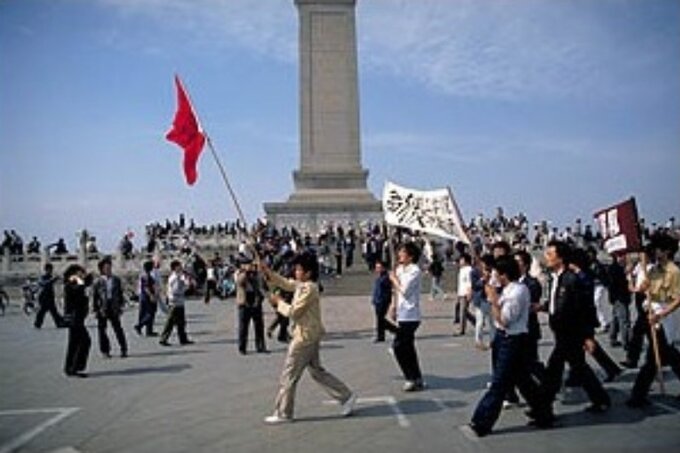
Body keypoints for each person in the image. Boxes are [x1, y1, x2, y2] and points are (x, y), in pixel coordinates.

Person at [260, 251, 356, 424]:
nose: (295, 272)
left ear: (308, 272)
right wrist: (268, 272)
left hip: (303, 337)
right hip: (310, 335)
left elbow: (294, 312)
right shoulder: (303, 285)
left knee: (289, 375)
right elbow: (287, 283)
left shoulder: (309, 288)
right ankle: (346, 396)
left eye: (298, 269)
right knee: (317, 371)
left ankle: (284, 412)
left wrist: (278, 302)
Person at [468, 257, 552, 437]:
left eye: (496, 273)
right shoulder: (507, 289)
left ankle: (482, 421)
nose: (494, 276)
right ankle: (543, 412)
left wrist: (493, 300)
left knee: (499, 382)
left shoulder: (518, 292)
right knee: (523, 380)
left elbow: (504, 321)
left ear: (504, 274)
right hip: (504, 338)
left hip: (512, 340)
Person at [540, 241, 611, 415]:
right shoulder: (556, 278)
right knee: (579, 367)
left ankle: (542, 408)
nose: (546, 257)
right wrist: (542, 307)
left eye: (550, 254)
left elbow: (583, 308)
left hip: (570, 331)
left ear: (561, 257)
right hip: (561, 330)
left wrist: (587, 336)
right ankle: (601, 399)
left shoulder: (572, 279)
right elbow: (557, 302)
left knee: (554, 369)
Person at [627, 232, 680, 407]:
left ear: (666, 251)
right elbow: (644, 290)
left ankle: (638, 395)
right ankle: (638, 395)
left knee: (656, 356)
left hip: (664, 316)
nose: (654, 252)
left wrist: (661, 315)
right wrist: (642, 286)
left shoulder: (673, 271)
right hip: (650, 314)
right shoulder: (653, 269)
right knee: (666, 355)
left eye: (658, 249)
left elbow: (678, 299)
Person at [388, 242, 426, 392]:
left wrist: (393, 279)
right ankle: (417, 377)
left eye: (403, 252)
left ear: (410, 256)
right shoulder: (399, 269)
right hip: (402, 313)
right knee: (408, 348)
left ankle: (410, 377)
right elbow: (396, 292)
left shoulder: (414, 271)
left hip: (411, 315)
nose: (399, 255)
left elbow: (404, 290)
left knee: (399, 347)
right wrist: (393, 305)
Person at [92, 257, 128, 358]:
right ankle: (105, 351)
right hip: (102, 307)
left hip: (114, 306)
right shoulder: (98, 282)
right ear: (102, 269)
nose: (108, 269)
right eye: (106, 267)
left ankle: (123, 349)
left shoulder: (116, 280)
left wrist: (121, 306)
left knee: (118, 329)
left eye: (109, 267)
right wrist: (95, 309)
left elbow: (120, 294)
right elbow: (95, 296)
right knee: (102, 330)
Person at [62, 264, 91, 378]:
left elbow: (82, 287)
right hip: (75, 318)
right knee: (84, 341)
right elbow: (77, 289)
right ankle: (74, 367)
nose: (82, 275)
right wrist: (84, 281)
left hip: (77, 317)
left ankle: (71, 368)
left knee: (74, 343)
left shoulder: (75, 283)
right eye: (80, 272)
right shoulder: (71, 283)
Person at [235, 258, 268, 354]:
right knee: (243, 326)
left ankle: (260, 346)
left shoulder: (256, 274)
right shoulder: (239, 273)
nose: (250, 266)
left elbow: (262, 284)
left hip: (255, 299)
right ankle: (242, 347)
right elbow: (239, 282)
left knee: (259, 325)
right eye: (247, 265)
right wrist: (246, 272)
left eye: (250, 264)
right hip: (244, 302)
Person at [159, 260, 194, 346]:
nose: (181, 267)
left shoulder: (178, 276)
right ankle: (163, 339)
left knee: (181, 322)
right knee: (170, 322)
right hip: (175, 302)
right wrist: (186, 288)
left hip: (178, 302)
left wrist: (187, 282)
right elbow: (175, 291)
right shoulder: (175, 278)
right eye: (179, 266)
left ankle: (183, 339)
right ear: (175, 267)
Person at [608, 253, 632, 348]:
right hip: (620, 296)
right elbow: (617, 282)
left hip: (617, 297)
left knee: (616, 319)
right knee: (624, 319)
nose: (624, 258)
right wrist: (626, 273)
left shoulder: (618, 267)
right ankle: (626, 342)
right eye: (622, 256)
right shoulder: (615, 268)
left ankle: (612, 338)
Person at [34, 263, 66, 329]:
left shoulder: (51, 277)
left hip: (50, 297)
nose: (50, 271)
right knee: (43, 311)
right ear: (46, 270)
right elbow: (43, 283)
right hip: (44, 297)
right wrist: (53, 279)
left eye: (51, 269)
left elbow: (61, 281)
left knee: (53, 311)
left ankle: (59, 323)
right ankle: (37, 324)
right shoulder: (43, 277)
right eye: (49, 269)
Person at [134, 260, 158, 337]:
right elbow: (146, 287)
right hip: (147, 297)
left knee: (147, 313)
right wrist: (151, 295)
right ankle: (139, 326)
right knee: (150, 313)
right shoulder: (147, 276)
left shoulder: (145, 275)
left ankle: (149, 330)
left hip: (144, 296)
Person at [371, 260, 392, 343]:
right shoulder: (379, 277)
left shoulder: (386, 277)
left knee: (380, 319)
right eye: (376, 267)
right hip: (378, 300)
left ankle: (382, 335)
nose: (377, 269)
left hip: (383, 300)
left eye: (379, 267)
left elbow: (388, 290)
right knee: (380, 319)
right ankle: (382, 334)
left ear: (383, 268)